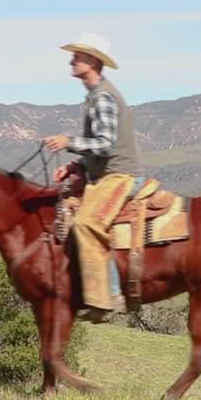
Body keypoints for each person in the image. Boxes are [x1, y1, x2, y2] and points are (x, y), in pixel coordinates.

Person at [43, 33, 142, 322]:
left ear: (94, 62)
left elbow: (106, 144)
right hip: (106, 173)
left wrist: (68, 141)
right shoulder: (95, 96)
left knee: (86, 223)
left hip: (119, 175)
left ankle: (108, 297)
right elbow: (98, 149)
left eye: (79, 56)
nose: (72, 60)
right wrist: (77, 166)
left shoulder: (103, 97)